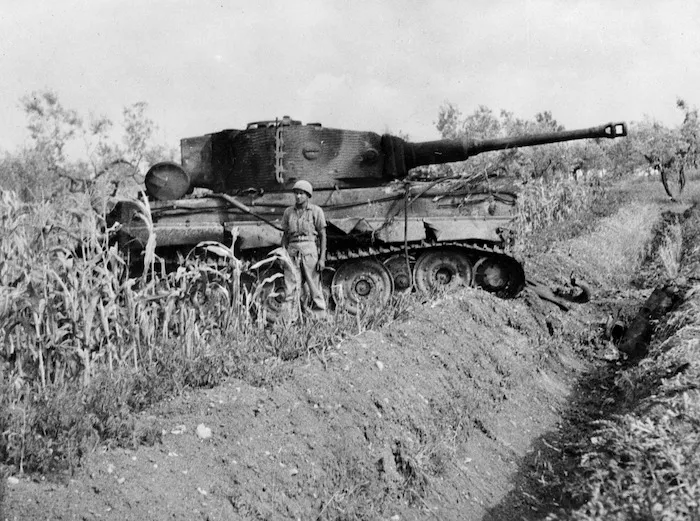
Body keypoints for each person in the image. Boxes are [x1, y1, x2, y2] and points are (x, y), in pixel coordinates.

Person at [280, 180, 327, 319]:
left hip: (309, 250)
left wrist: (322, 258)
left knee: (314, 287)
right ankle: (290, 320)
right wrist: (283, 255)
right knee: (290, 287)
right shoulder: (288, 212)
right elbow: (285, 235)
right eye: (296, 193)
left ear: (308, 195)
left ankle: (319, 319)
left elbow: (323, 235)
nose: (298, 196)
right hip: (292, 250)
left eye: (301, 194)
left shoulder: (316, 211)